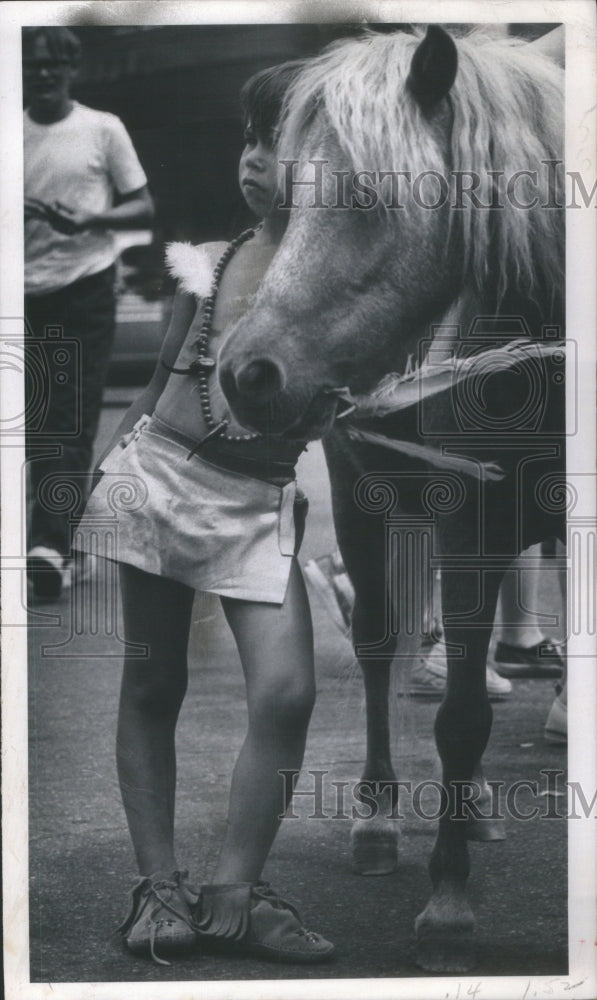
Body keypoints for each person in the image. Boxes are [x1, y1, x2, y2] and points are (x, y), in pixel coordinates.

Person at [75, 61, 334, 966]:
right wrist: (111, 462)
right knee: (152, 686)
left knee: (288, 691)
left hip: (257, 503)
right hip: (161, 483)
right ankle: (157, 888)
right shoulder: (209, 262)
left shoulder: (348, 284)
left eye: (282, 146)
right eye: (250, 142)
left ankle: (235, 885)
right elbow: (157, 384)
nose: (256, 163)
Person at [23, 27, 154, 600]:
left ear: (72, 69)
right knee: (26, 423)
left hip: (85, 286)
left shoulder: (102, 129)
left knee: (68, 420)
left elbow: (143, 206)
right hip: (20, 291)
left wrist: (88, 223)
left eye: (54, 65)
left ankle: (48, 547)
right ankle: (50, 536)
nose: (44, 73)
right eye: (32, 64)